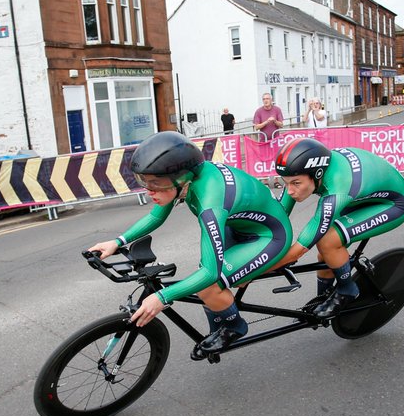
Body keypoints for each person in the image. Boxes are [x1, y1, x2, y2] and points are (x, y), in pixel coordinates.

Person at [89, 131, 291, 358]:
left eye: (155, 183)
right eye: (144, 181)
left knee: (207, 283)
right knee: (206, 279)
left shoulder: (209, 202)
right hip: (239, 225)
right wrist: (117, 242)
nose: (149, 190)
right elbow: (156, 217)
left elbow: (209, 273)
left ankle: (234, 327)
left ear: (181, 179)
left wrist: (162, 297)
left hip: (269, 235)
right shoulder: (185, 180)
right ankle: (218, 327)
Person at [271, 137, 404, 319]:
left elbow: (302, 246)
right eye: (286, 182)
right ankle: (324, 295)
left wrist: (262, 269)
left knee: (327, 241)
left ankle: (347, 290)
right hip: (362, 193)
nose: (290, 190)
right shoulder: (306, 172)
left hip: (394, 203)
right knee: (325, 254)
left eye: (296, 183)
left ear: (318, 174)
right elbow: (279, 215)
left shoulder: (338, 186)